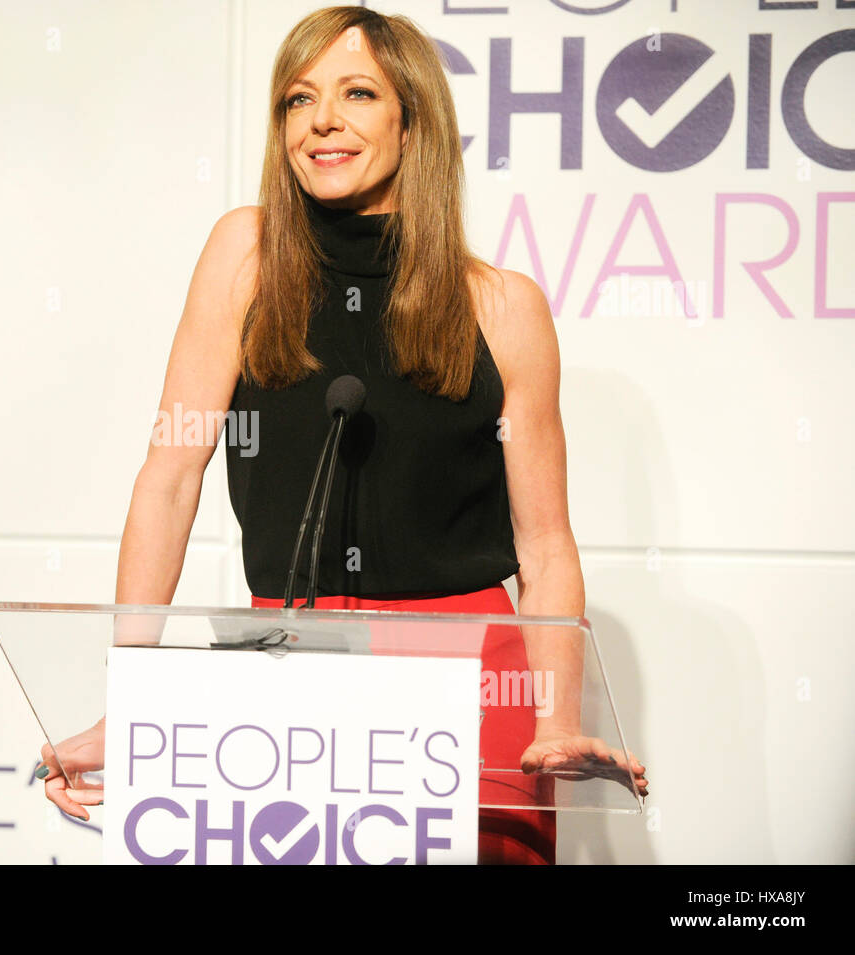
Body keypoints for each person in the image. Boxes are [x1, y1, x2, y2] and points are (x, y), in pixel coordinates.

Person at [36, 5, 648, 864]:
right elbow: (170, 478)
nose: (322, 119)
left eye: (357, 93)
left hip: (471, 688)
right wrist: (129, 703)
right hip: (286, 670)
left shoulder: (505, 308)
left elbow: (544, 544)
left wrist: (554, 719)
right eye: (298, 99)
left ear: (413, 120)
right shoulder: (242, 256)